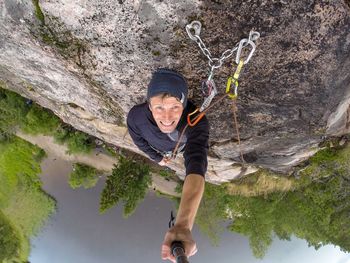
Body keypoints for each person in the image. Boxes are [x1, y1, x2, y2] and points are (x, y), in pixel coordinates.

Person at [127, 68, 209, 262]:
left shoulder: (197, 121)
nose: (167, 117)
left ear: (184, 104)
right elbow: (139, 142)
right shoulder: (136, 118)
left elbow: (196, 164)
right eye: (159, 108)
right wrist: (157, 158)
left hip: (180, 148)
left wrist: (183, 224)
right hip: (162, 152)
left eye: (175, 107)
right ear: (149, 105)